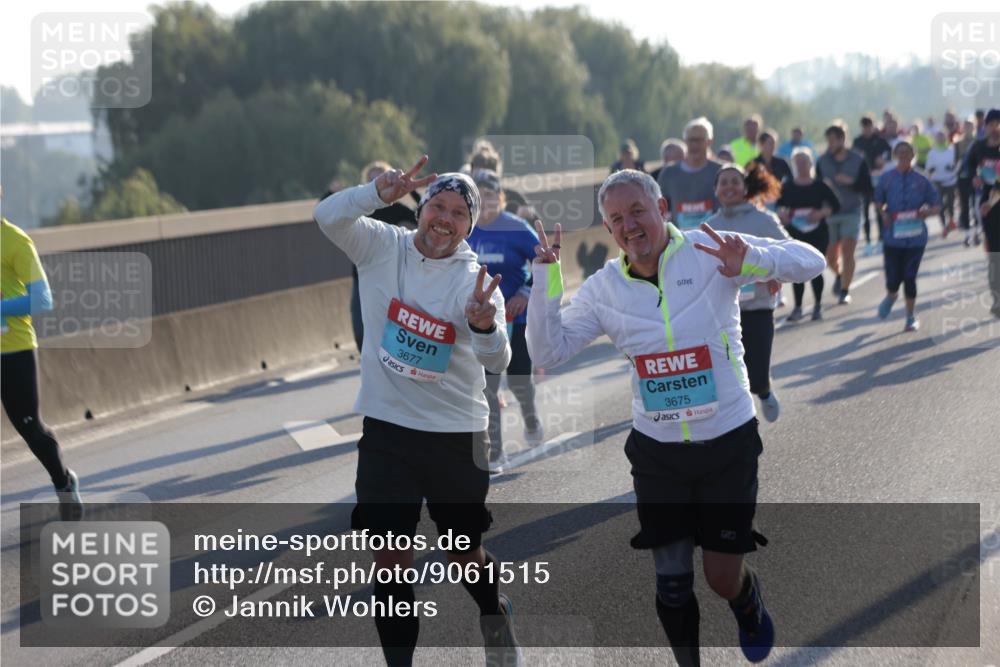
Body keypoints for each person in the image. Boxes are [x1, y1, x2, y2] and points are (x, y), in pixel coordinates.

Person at [526, 169, 825, 666]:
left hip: (727, 440)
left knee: (721, 577)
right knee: (671, 582)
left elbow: (811, 260)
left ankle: (746, 601)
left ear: (662, 209)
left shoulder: (710, 250)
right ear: (608, 229)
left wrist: (753, 259)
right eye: (616, 219)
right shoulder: (604, 288)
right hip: (658, 452)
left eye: (638, 211)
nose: (630, 226)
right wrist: (545, 280)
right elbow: (546, 351)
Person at [314, 157, 520, 666]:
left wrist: (484, 326)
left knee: (461, 553)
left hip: (456, 434)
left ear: (469, 226)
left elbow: (499, 360)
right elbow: (326, 217)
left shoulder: (474, 280)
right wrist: (373, 194)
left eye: (458, 213)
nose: (444, 219)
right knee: (390, 565)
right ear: (421, 208)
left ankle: (494, 612)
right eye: (438, 207)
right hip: (388, 432)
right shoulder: (381, 246)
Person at [1, 216, 83, 520]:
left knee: (30, 428)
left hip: (14, 350)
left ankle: (63, 481)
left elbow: (42, 299)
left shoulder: (14, 240)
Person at [467, 169, 544, 473]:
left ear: (500, 198)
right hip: (483, 319)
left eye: (489, 195)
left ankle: (531, 418)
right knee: (487, 386)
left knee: (519, 381)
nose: (484, 201)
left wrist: (526, 291)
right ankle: (495, 452)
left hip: (517, 315)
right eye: (478, 195)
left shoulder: (516, 228)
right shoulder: (465, 228)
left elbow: (545, 261)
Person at [707, 163, 788, 422]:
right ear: (716, 190)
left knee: (757, 374)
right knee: (726, 373)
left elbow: (787, 250)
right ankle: (738, 421)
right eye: (724, 182)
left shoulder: (763, 220)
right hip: (723, 312)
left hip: (758, 307)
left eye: (735, 181)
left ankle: (764, 390)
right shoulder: (709, 226)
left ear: (745, 188)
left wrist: (774, 273)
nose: (729, 187)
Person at [326, 162, 418, 352]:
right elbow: (326, 214)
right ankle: (367, 359)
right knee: (360, 330)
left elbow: (422, 217)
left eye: (383, 177)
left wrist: (413, 191)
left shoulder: (396, 208)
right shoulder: (359, 208)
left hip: (390, 276)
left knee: (392, 328)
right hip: (361, 275)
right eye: (373, 179)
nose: (380, 182)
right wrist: (330, 193)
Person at [874, 142, 941, 331]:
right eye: (900, 152)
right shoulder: (887, 178)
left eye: (907, 152)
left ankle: (910, 317)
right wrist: (883, 213)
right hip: (893, 237)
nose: (904, 155)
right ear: (895, 155)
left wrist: (927, 212)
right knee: (893, 278)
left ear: (913, 154)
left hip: (915, 237)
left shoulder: (922, 179)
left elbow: (936, 205)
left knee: (910, 276)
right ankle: (892, 295)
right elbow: (878, 200)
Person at [777, 149, 840, 321]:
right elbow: (779, 205)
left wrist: (821, 213)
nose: (801, 166)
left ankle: (818, 306)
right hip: (795, 232)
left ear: (811, 163)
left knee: (815, 268)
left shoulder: (820, 185)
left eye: (804, 162)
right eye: (797, 162)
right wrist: (782, 215)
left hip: (818, 232)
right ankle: (798, 307)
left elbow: (835, 205)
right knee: (797, 270)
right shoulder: (787, 186)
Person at [817, 124, 872, 304]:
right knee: (830, 257)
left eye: (833, 140)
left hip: (851, 211)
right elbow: (816, 186)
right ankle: (840, 275)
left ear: (842, 139)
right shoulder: (822, 161)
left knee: (848, 252)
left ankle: (845, 290)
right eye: (828, 141)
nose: (830, 144)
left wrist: (851, 182)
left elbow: (867, 187)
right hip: (830, 213)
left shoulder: (858, 159)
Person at [658, 117, 724, 231]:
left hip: (713, 237)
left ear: (709, 141)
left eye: (699, 140)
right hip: (680, 238)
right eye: (690, 140)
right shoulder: (669, 173)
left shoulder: (721, 171)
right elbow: (658, 208)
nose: (694, 144)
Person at [967, 108, 1000, 316]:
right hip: (987, 205)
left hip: (994, 200)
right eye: (991, 124)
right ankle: (997, 300)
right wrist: (974, 177)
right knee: (995, 254)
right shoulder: (978, 147)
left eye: (997, 124)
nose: (994, 128)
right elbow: (969, 166)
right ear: (985, 127)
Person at [852, 114, 892, 253]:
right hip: (864, 180)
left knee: (879, 209)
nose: (867, 129)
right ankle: (868, 241)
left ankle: (881, 239)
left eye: (869, 126)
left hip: (878, 179)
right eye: (864, 127)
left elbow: (890, 153)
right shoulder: (858, 141)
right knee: (865, 212)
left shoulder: (880, 140)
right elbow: (853, 157)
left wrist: (883, 159)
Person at [925, 131, 959, 237]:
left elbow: (956, 164)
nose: (940, 139)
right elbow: (928, 168)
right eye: (938, 137)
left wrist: (952, 168)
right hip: (937, 181)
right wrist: (931, 170)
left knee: (951, 202)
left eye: (942, 137)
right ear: (935, 139)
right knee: (939, 204)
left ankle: (951, 220)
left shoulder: (951, 150)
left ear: (945, 138)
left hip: (950, 180)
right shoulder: (932, 153)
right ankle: (944, 226)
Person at [956, 119, 982, 247]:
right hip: (962, 178)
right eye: (965, 127)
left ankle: (977, 232)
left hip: (975, 178)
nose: (967, 129)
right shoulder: (958, 144)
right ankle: (967, 234)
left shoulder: (978, 143)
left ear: (973, 128)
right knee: (965, 206)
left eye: (970, 127)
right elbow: (955, 161)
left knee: (976, 205)